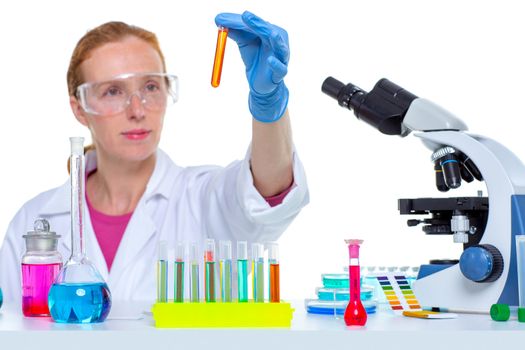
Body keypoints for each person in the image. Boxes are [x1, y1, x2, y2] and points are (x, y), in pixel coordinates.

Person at [0, 11, 309, 304]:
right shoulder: (34, 220)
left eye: (150, 86)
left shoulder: (201, 197)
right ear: (79, 108)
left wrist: (268, 108)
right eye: (112, 91)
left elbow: (268, 189)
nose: (137, 110)